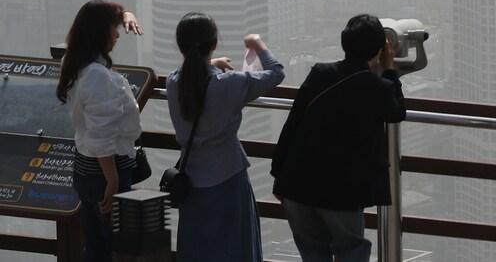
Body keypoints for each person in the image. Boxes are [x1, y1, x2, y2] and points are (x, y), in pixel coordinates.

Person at [272, 14, 407, 262]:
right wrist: (389, 70)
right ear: (380, 49)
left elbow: (292, 124)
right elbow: (397, 111)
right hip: (341, 194)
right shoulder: (377, 88)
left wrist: (278, 174)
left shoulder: (319, 74)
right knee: (351, 252)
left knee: (313, 253)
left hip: (297, 184)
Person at [166, 13, 285, 261]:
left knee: (199, 250)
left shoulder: (173, 82)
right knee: (234, 248)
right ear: (213, 44)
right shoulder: (228, 84)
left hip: (191, 183)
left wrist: (208, 64)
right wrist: (257, 43)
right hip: (228, 179)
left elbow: (193, 76)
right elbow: (276, 72)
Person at [55, 0, 145, 262]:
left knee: (95, 246)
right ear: (99, 32)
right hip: (106, 171)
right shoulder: (97, 76)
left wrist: (125, 14)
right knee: (115, 250)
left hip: (85, 168)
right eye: (113, 28)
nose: (117, 34)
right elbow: (101, 134)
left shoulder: (73, 63)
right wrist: (113, 181)